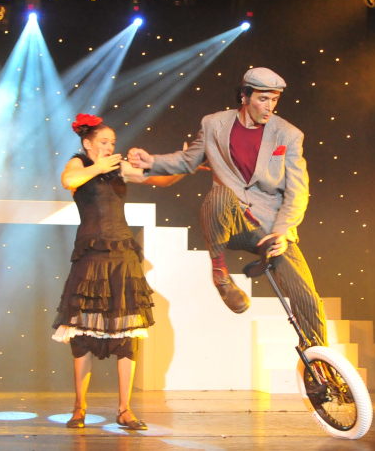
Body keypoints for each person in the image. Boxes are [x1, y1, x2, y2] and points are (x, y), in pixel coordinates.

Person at [127, 67, 326, 345]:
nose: (269, 107)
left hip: (270, 227)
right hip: (230, 222)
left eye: (275, 100)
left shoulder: (288, 135)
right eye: (263, 99)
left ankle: (320, 370)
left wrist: (283, 231)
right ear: (245, 96)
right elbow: (188, 160)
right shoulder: (214, 124)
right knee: (220, 194)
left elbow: (298, 190)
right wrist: (152, 162)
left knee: (306, 296)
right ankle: (220, 275)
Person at [52, 113, 185, 431]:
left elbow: (158, 179)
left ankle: (125, 409)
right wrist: (99, 165)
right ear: (87, 144)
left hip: (122, 256)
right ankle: (79, 408)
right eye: (104, 142)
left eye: (113, 142)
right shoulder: (78, 165)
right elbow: (68, 181)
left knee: (127, 334)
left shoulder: (118, 168)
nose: (111, 147)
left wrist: (184, 166)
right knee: (82, 332)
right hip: (92, 255)